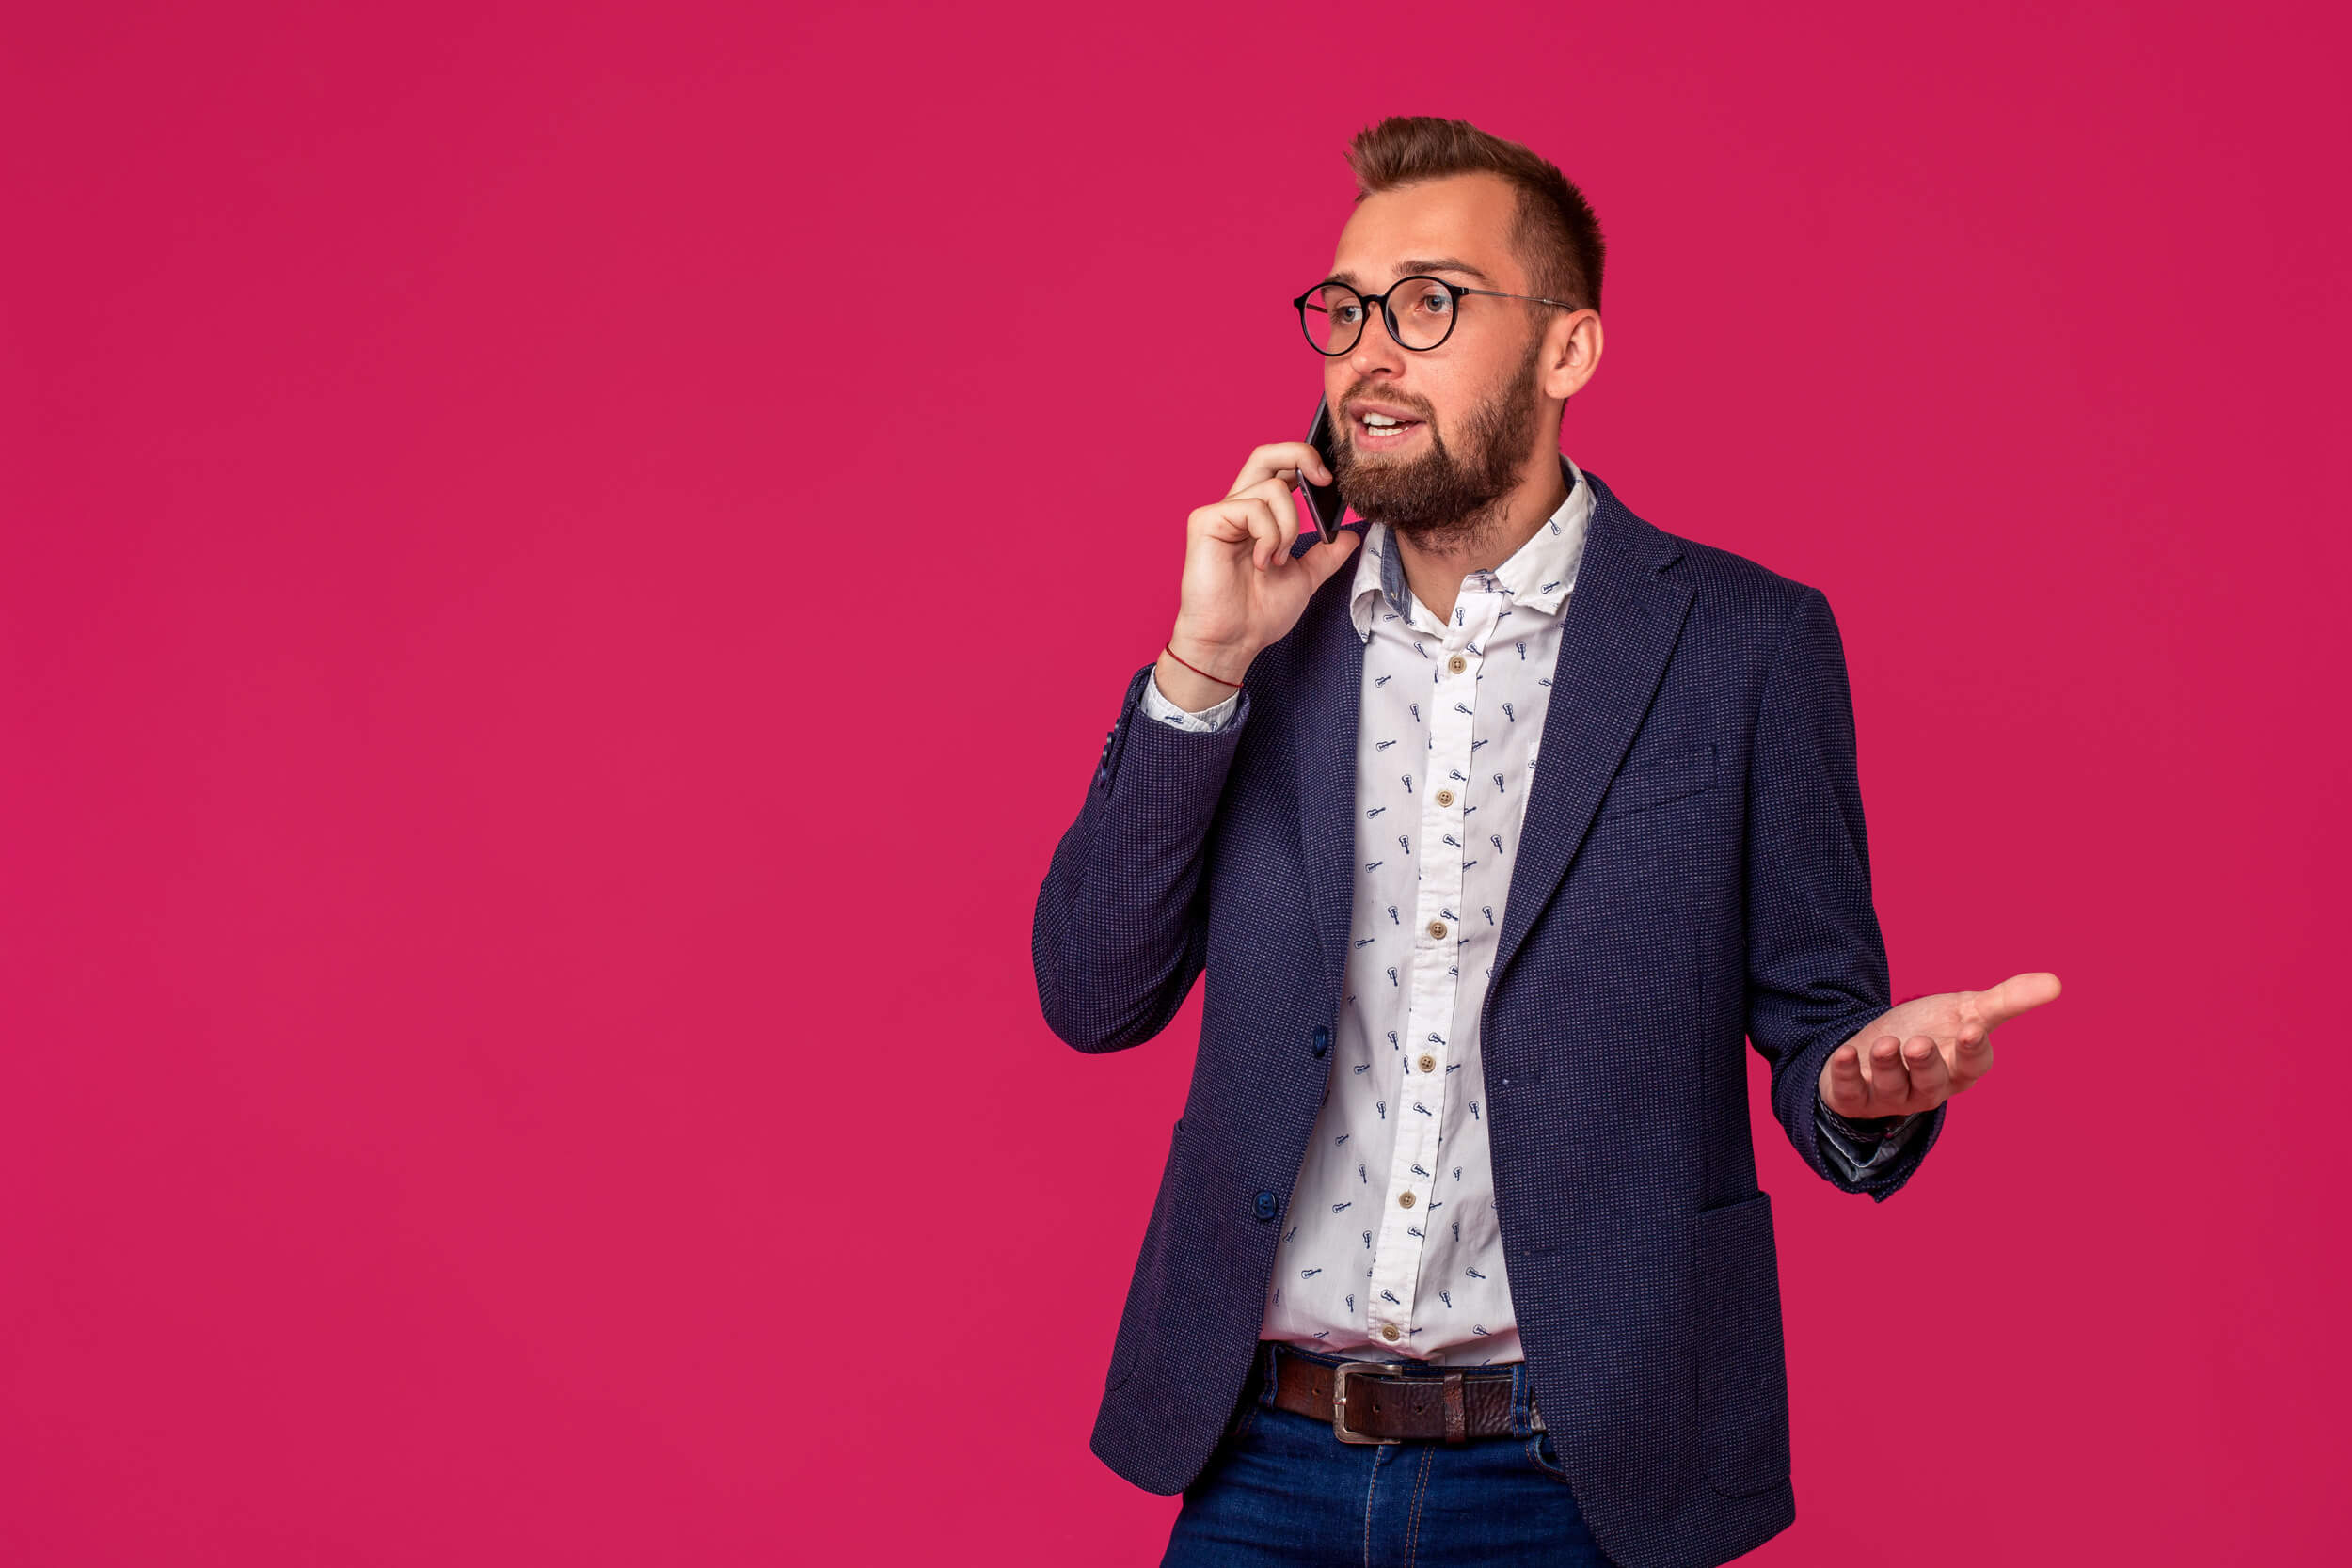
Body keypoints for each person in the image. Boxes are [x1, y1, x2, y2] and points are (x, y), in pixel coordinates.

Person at [1030, 115, 2058, 1568]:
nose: (1369, 353)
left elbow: (1823, 1019)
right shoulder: (1268, 631)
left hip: (1579, 1477)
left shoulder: (1741, 644)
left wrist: (1866, 1078)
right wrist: (1200, 668)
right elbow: (1091, 994)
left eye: (1429, 304)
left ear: (1567, 350)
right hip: (1261, 1460)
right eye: (1345, 311)